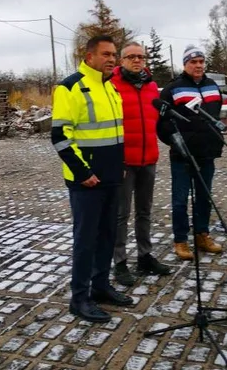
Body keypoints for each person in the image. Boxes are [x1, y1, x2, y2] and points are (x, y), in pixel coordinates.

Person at [51, 35, 133, 323]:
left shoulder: (110, 88)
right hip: (86, 181)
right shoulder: (70, 87)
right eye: (106, 54)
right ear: (89, 56)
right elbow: (60, 136)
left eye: (114, 54)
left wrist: (120, 165)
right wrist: (83, 172)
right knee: (86, 240)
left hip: (112, 177)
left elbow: (114, 134)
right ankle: (79, 298)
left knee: (107, 236)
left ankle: (100, 287)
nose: (112, 59)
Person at [111, 42, 172, 286]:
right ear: (121, 60)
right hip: (124, 162)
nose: (137, 61)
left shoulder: (151, 86)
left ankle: (145, 256)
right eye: (131, 57)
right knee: (121, 214)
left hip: (149, 159)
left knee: (144, 212)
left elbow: (156, 120)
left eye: (141, 57)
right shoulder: (112, 85)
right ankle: (120, 261)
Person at [158, 44, 224, 260]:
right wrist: (176, 143)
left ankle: (202, 235)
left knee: (204, 197)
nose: (198, 65)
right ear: (185, 64)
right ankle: (181, 240)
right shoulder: (173, 88)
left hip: (207, 153)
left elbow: (215, 117)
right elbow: (162, 125)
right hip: (182, 157)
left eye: (201, 62)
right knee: (179, 200)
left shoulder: (213, 86)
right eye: (193, 62)